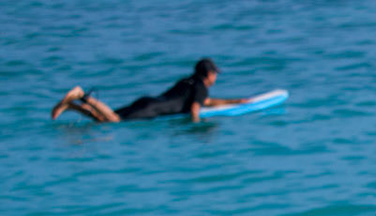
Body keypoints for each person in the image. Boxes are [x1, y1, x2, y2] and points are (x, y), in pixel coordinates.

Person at [50, 59, 240, 123]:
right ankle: (81, 95)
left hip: (148, 102)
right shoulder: (201, 87)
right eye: (215, 73)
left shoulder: (188, 82)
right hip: (150, 111)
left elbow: (205, 102)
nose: (216, 77)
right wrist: (195, 126)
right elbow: (195, 110)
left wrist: (239, 101)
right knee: (114, 121)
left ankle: (72, 106)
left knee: (103, 119)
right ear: (208, 74)